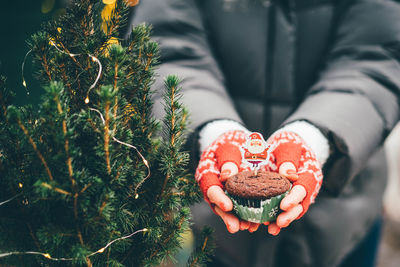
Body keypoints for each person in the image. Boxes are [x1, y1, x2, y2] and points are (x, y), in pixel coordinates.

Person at [130, 0, 400, 266]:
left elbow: (380, 55)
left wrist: (315, 138)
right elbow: (165, 48)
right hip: (217, 232)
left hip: (344, 218)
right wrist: (212, 130)